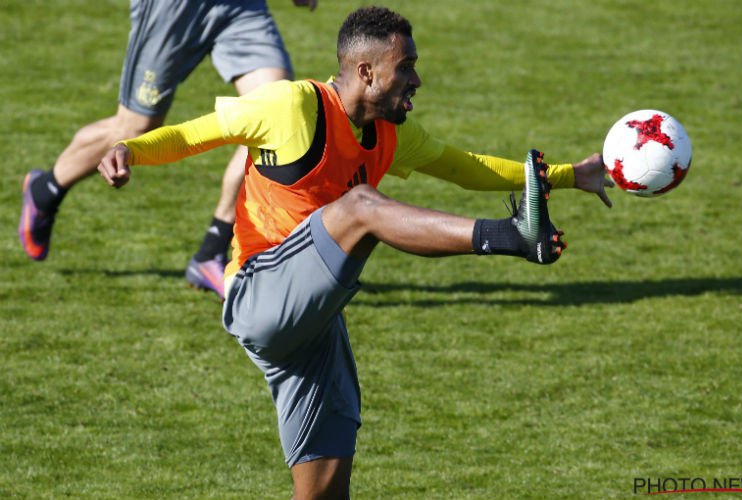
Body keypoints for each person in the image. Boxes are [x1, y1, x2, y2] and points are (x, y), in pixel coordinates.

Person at [97, 6, 613, 499]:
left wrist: (569, 176)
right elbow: (193, 135)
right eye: (405, 67)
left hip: (314, 328)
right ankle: (508, 237)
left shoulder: (391, 134)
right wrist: (130, 150)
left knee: (326, 491)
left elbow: (464, 166)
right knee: (361, 207)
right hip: (259, 291)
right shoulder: (290, 106)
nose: (416, 80)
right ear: (366, 71)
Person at [18, 0, 319, 300]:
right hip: (174, 8)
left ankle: (212, 251)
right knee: (135, 126)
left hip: (239, 7)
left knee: (273, 114)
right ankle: (44, 190)